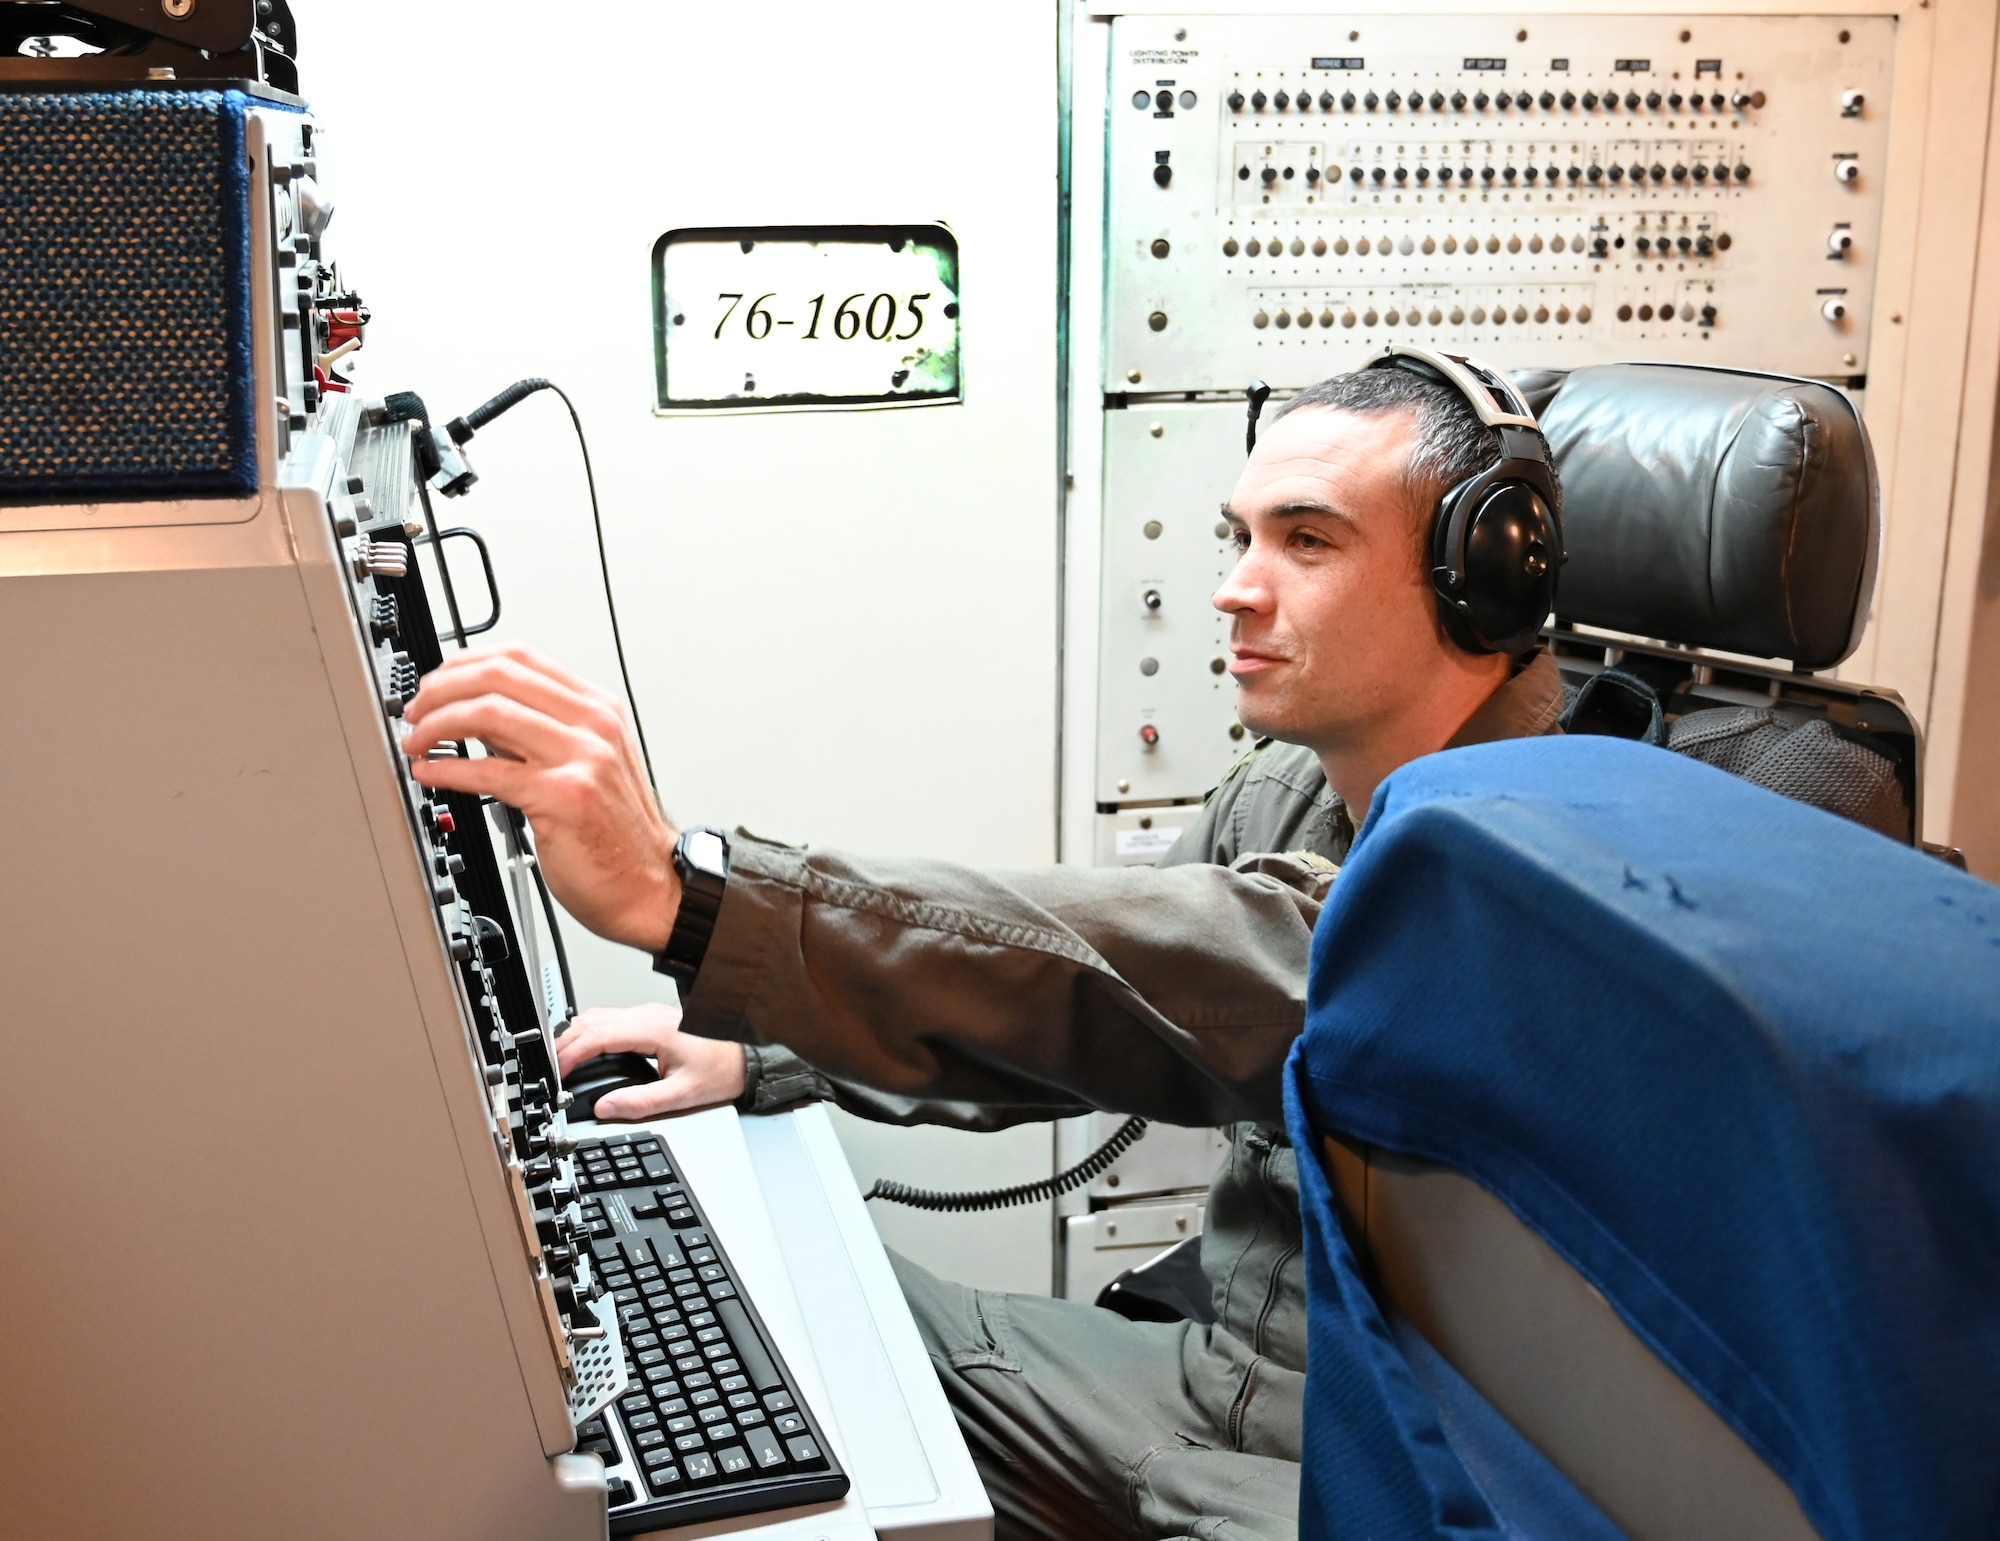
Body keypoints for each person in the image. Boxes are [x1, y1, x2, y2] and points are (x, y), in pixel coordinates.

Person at [399, 360, 1566, 1540]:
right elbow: (1076, 1015)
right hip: (1206, 1381)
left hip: (1389, 1464)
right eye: (1239, 536)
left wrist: (691, 896)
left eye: (1304, 542)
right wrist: (767, 1057)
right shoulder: (1283, 790)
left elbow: (1207, 973)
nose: (1233, 589)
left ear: (1481, 584)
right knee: (800, 1326)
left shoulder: (1549, 855)